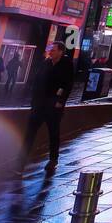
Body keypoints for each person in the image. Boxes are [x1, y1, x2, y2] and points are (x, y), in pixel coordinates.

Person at [18, 40, 75, 173]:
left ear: (61, 51)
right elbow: (37, 81)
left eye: (53, 50)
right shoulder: (46, 63)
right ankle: (20, 163)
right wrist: (33, 100)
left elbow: (67, 85)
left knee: (53, 133)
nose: (50, 52)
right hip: (39, 104)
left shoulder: (67, 65)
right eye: (50, 49)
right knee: (29, 133)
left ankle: (53, 159)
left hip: (53, 106)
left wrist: (60, 101)